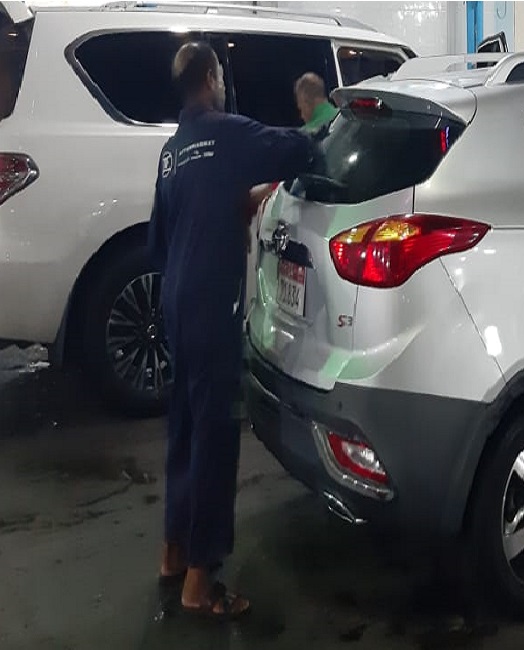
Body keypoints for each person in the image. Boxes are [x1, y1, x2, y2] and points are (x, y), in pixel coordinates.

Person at [148, 41, 316, 620]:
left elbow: (163, 237)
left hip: (175, 302)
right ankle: (201, 583)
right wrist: (324, 121)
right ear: (211, 78)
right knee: (216, 438)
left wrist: (233, 210)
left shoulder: (172, 152)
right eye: (219, 76)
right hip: (211, 306)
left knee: (184, 429)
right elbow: (297, 149)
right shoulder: (230, 133)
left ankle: (173, 554)